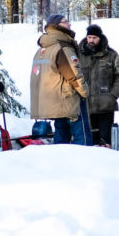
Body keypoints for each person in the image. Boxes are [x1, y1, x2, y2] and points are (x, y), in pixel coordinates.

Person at [30, 14, 90, 144]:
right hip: (68, 100)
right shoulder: (63, 47)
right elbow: (73, 74)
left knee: (61, 137)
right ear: (57, 26)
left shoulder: (42, 49)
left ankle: (59, 163)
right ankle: (85, 163)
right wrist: (85, 92)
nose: (70, 24)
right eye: (66, 22)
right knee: (82, 137)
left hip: (54, 100)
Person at [78, 23, 119, 146]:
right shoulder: (79, 54)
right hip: (85, 106)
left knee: (105, 142)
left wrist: (112, 96)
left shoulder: (111, 55)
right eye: (89, 37)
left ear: (100, 38)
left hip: (105, 107)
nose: (91, 40)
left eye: (94, 38)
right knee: (88, 142)